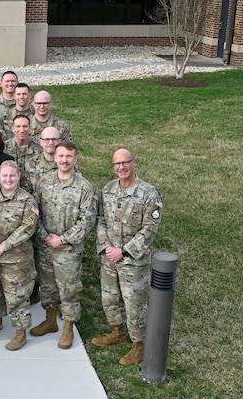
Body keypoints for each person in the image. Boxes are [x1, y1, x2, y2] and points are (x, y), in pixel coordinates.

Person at [92, 148, 162, 366]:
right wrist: (106, 247)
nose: (121, 167)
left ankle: (139, 344)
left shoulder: (149, 193)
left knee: (134, 304)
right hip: (110, 258)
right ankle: (117, 332)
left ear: (134, 163)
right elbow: (101, 219)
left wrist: (124, 251)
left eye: (125, 162)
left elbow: (150, 229)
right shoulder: (109, 189)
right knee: (110, 299)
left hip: (132, 261)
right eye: (116, 164)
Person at [31, 142, 97, 349]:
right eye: (61, 156)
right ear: (55, 158)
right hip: (45, 246)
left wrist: (63, 239)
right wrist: (44, 236)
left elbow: (88, 220)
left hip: (68, 250)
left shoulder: (84, 187)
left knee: (68, 290)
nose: (64, 160)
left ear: (75, 159)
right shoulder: (44, 183)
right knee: (48, 287)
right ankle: (50, 320)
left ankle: (68, 326)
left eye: (69, 156)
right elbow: (34, 212)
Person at [0, 160, 39, 351]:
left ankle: (20, 333)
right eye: (5, 175)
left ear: (19, 176)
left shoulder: (28, 201)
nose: (8, 179)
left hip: (16, 259)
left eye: (12, 175)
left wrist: (4, 246)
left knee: (16, 295)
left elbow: (28, 228)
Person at [3, 114, 41, 193]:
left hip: (34, 194)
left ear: (30, 128)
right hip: (9, 193)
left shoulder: (40, 150)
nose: (22, 130)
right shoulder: (3, 148)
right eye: (18, 126)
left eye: (25, 126)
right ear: (12, 129)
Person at [25, 125, 61, 190]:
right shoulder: (31, 163)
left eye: (54, 139)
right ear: (41, 142)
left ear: (59, 141)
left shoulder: (66, 163)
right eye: (47, 139)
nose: (50, 143)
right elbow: (26, 188)